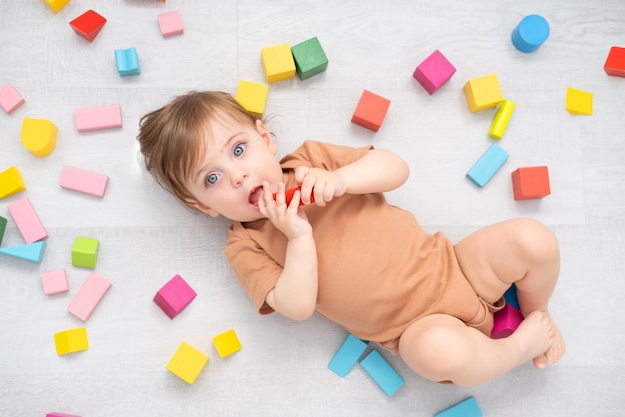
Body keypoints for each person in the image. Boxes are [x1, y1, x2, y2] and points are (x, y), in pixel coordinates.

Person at [137, 90, 565, 387]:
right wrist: (299, 238)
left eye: (238, 150)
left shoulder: (310, 161)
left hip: (456, 265)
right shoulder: (245, 244)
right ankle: (519, 348)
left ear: (265, 139)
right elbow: (297, 306)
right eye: (212, 179)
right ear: (203, 206)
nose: (238, 175)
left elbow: (396, 169)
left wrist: (340, 179)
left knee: (533, 239)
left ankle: (537, 310)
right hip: (415, 328)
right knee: (438, 355)